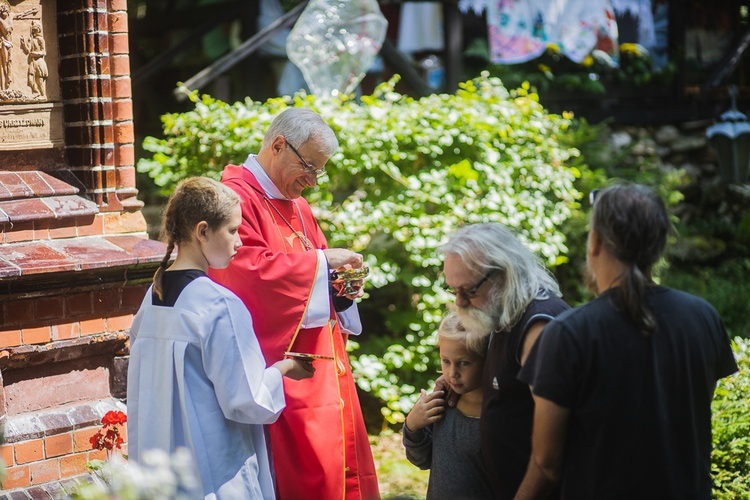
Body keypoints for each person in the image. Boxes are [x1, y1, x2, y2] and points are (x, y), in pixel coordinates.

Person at [515, 184, 739, 499]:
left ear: (595, 244)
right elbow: (693, 405)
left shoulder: (568, 333)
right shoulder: (703, 317)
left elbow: (547, 462)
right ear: (659, 246)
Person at [209, 108, 379, 500]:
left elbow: (316, 266)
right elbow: (244, 272)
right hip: (283, 369)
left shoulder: (297, 203)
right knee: (303, 473)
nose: (313, 181)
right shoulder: (235, 197)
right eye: (309, 167)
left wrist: (340, 285)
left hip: (323, 362)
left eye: (320, 171)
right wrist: (321, 265)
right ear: (278, 145)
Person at [127, 177, 315, 499]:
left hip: (160, 469)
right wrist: (284, 369)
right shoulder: (218, 304)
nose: (240, 242)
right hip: (213, 473)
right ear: (202, 231)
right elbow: (249, 401)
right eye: (232, 230)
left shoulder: (151, 297)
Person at [439, 222, 570, 499]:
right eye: (454, 291)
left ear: (502, 276)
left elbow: (550, 456)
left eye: (469, 291)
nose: (459, 303)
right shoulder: (501, 312)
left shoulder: (538, 327)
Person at [402, 312, 494, 499]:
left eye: (464, 363)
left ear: (487, 359)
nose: (453, 373)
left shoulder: (498, 412)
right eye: (446, 361)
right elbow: (422, 459)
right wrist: (412, 426)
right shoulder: (442, 402)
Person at [20, 20, 47, 98]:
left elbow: (43, 52)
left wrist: (35, 54)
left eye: (35, 29)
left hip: (39, 61)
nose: (34, 31)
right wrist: (24, 44)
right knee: (31, 80)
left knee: (39, 79)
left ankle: (43, 95)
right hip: (33, 62)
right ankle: (36, 92)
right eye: (33, 30)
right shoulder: (31, 39)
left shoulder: (40, 39)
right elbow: (28, 50)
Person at [0, 1, 13, 91]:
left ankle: (8, 79)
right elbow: (5, 29)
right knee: (4, 62)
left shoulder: (10, 17)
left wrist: (31, 12)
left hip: (9, 44)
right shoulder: (1, 21)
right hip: (3, 43)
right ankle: (5, 81)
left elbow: (21, 15)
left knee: (9, 61)